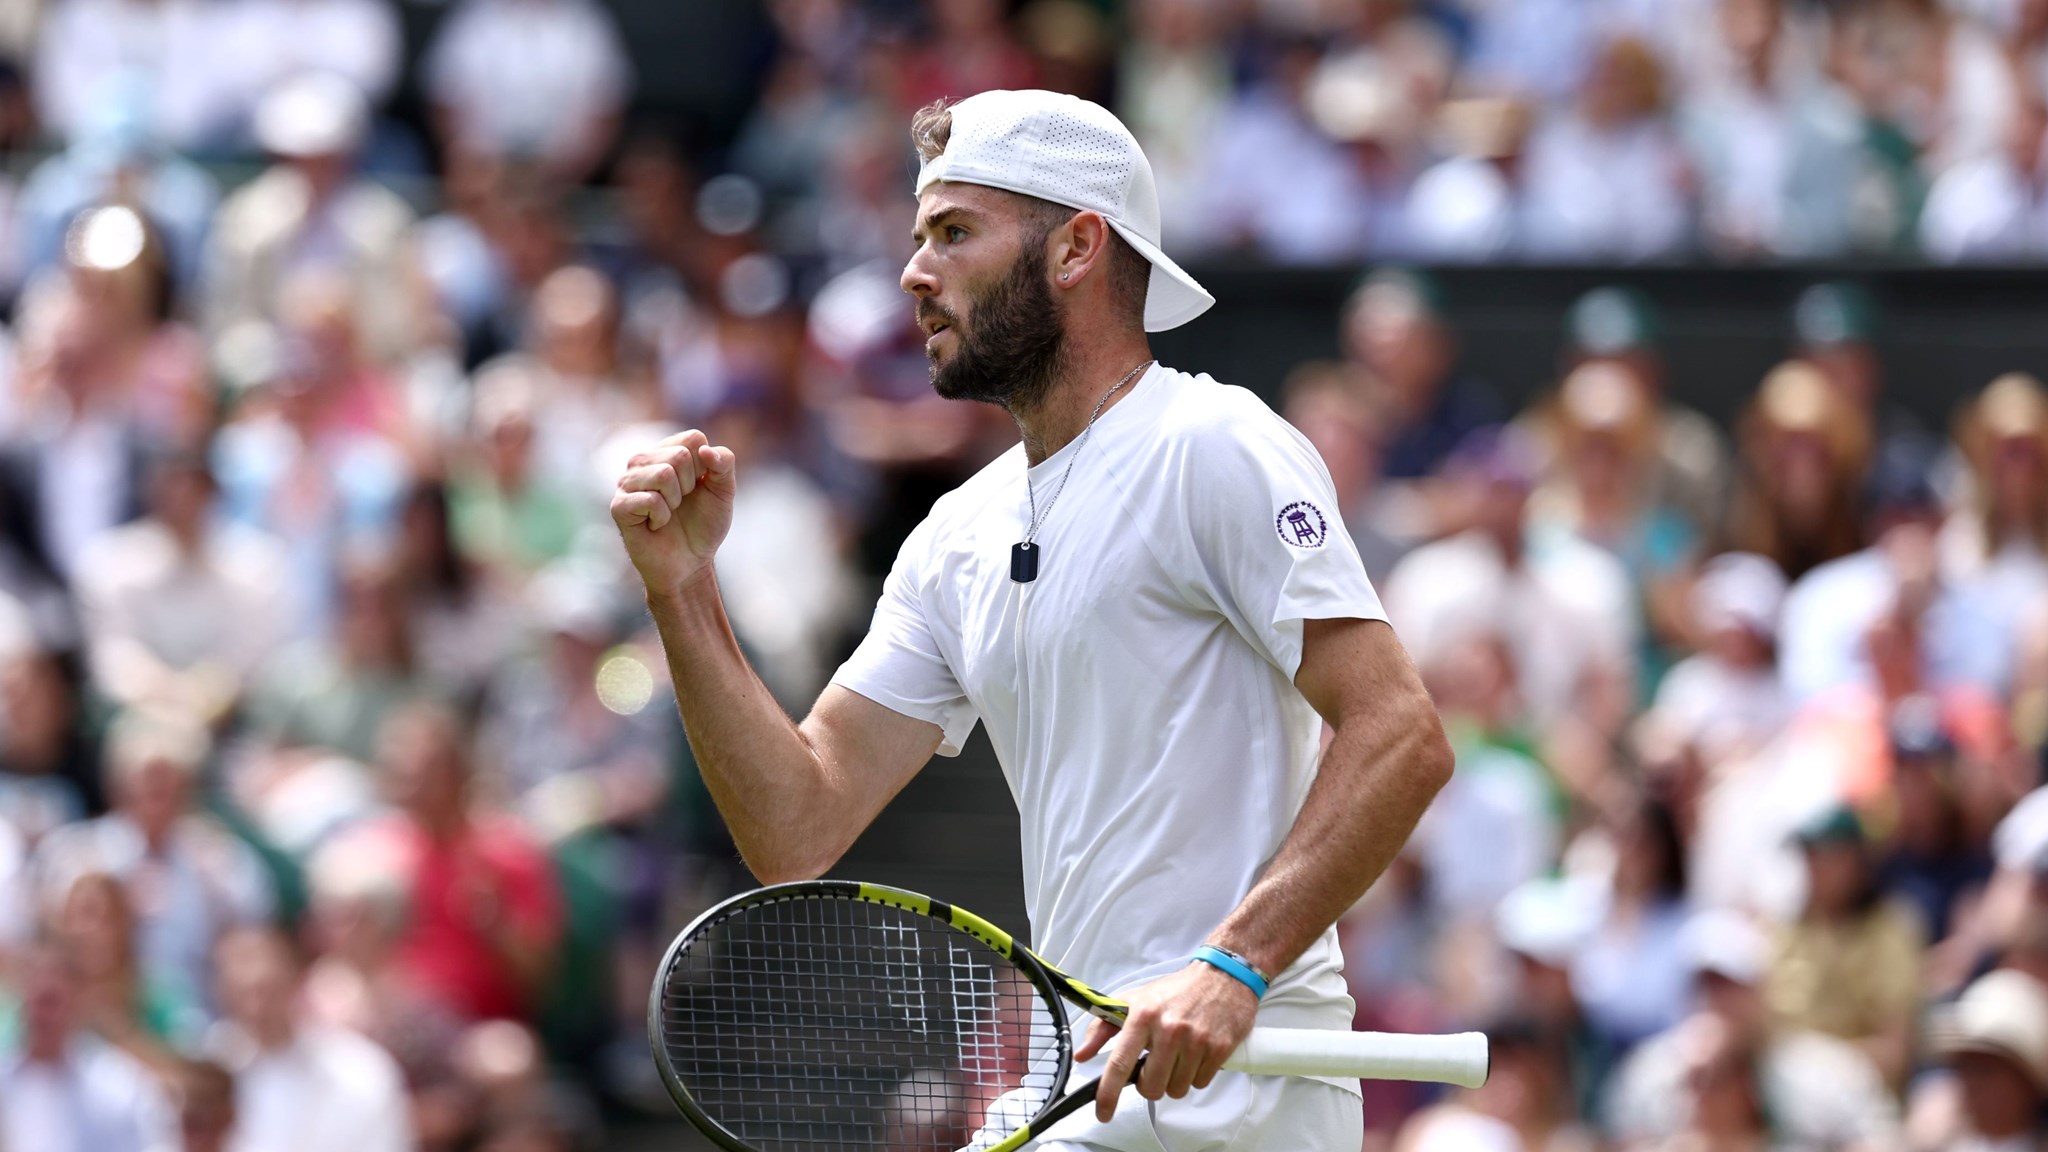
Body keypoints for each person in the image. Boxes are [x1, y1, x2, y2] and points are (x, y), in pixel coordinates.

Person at [608, 88, 1453, 1148]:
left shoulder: (1212, 444)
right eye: (918, 237)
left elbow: (1400, 735)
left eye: (954, 232)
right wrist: (682, 594)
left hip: (1245, 1093)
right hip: (1090, 1081)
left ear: (1075, 250)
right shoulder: (953, 537)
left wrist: (1231, 963)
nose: (914, 273)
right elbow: (793, 826)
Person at [205, 925, 413, 1152]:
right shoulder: (210, 1066)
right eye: (243, 990)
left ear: (295, 976)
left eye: (265, 989)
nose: (258, 1005)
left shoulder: (359, 1070)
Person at [0, 943, 173, 1152]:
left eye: (51, 1001)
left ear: (77, 999)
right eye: (34, 1000)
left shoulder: (118, 1087)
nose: (41, 1015)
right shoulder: (5, 1078)